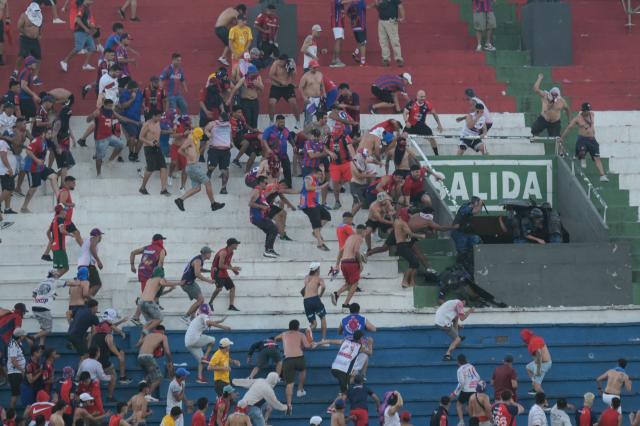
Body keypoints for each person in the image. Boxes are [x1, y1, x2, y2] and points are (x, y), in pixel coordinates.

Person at [174, 128, 226, 212]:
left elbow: (197, 153)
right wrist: (187, 156)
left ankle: (180, 200)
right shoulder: (190, 139)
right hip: (192, 167)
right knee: (207, 182)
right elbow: (180, 150)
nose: (200, 138)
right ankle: (213, 204)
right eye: (200, 136)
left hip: (193, 166)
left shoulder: (195, 140)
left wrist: (205, 145)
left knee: (197, 188)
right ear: (197, 134)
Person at [559, 102, 608, 181]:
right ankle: (582, 157)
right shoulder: (578, 118)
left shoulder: (592, 114)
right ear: (583, 111)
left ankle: (602, 175)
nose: (588, 112)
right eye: (586, 111)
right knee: (581, 151)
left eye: (589, 110)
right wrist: (562, 138)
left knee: (597, 158)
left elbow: (591, 123)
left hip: (592, 139)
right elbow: (569, 128)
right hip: (583, 139)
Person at [185, 304, 231, 384]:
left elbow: (209, 323)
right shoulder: (203, 315)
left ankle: (199, 377)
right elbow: (210, 322)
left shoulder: (198, 317)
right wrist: (224, 327)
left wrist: (220, 321)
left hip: (188, 343)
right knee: (212, 340)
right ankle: (206, 356)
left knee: (201, 360)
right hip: (194, 339)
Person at [86, 98, 131, 176]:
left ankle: (110, 160)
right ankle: (98, 174)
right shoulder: (98, 111)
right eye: (109, 106)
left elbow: (121, 118)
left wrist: (133, 122)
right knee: (99, 157)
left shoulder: (111, 111)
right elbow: (87, 120)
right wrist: (92, 115)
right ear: (104, 105)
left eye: (112, 106)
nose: (111, 107)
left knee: (120, 145)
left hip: (109, 136)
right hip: (100, 139)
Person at [129, 234, 167, 325]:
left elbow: (133, 252)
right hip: (150, 274)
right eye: (162, 240)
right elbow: (160, 263)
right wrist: (158, 275)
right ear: (160, 241)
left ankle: (154, 302)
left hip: (142, 272)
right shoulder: (161, 250)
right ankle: (136, 316)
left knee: (147, 295)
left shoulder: (147, 248)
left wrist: (132, 266)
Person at [276, 319, 312, 412]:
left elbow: (276, 338)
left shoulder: (284, 334)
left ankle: (289, 405)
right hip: (299, 358)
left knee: (289, 384)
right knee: (303, 370)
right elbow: (308, 346)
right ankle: (300, 389)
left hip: (288, 360)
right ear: (298, 327)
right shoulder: (301, 334)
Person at [19, 127, 57, 213]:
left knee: (54, 176)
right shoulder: (37, 140)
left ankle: (59, 200)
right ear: (43, 133)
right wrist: (37, 160)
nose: (50, 135)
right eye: (49, 134)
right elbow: (28, 151)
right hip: (31, 168)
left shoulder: (45, 141)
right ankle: (24, 207)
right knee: (34, 188)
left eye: (51, 134)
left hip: (40, 167)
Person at [332, 225, 366, 309]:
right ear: (363, 231)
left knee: (349, 284)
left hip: (344, 263)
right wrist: (361, 263)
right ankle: (345, 303)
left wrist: (337, 264)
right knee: (355, 284)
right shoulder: (359, 238)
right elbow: (356, 251)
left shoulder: (349, 238)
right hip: (351, 263)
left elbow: (340, 251)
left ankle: (337, 294)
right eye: (365, 232)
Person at [180, 247, 216, 323]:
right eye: (210, 253)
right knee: (201, 300)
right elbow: (197, 274)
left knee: (201, 300)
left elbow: (200, 269)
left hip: (190, 282)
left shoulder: (200, 259)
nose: (210, 255)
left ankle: (192, 317)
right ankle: (185, 317)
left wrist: (210, 270)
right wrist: (209, 281)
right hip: (187, 283)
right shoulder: (198, 260)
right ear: (206, 253)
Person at [59, 0, 97, 72]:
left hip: (87, 32)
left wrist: (93, 27)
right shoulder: (82, 8)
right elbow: (77, 19)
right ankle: (64, 61)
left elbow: (87, 21)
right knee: (78, 48)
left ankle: (85, 65)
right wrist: (86, 28)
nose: (92, 2)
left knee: (92, 48)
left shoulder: (87, 9)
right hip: (80, 32)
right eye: (90, 0)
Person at [138, 110, 170, 195]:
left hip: (157, 147)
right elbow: (140, 137)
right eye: (158, 116)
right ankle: (142, 187)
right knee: (150, 168)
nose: (160, 118)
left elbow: (160, 132)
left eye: (160, 116)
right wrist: (150, 143)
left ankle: (163, 189)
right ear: (153, 116)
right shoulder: (147, 124)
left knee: (163, 166)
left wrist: (169, 132)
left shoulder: (158, 123)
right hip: (148, 147)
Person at [403, 90, 443, 155]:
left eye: (424, 96)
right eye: (421, 97)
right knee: (402, 139)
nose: (423, 98)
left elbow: (434, 113)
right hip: (411, 126)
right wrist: (406, 121)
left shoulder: (427, 104)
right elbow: (405, 112)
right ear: (417, 96)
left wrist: (439, 124)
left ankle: (436, 155)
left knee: (432, 138)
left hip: (422, 126)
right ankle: (402, 154)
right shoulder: (411, 103)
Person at [300, 168, 331, 251]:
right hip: (308, 204)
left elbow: (322, 180)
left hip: (314, 203)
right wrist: (321, 186)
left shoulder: (316, 180)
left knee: (327, 216)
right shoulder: (308, 178)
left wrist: (323, 174)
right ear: (315, 173)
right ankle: (320, 243)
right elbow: (307, 188)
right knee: (316, 223)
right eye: (320, 174)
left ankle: (315, 233)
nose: (321, 176)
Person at [249, 176, 281, 258]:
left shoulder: (261, 191)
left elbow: (263, 197)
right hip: (257, 217)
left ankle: (269, 250)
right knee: (274, 229)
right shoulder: (256, 190)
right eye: (265, 183)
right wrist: (262, 207)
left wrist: (271, 192)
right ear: (261, 183)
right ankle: (268, 250)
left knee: (271, 231)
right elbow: (250, 203)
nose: (267, 185)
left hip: (261, 216)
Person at [531, 74, 570, 138]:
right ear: (550, 93)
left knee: (556, 139)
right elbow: (535, 89)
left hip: (555, 123)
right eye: (552, 94)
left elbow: (567, 109)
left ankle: (558, 147)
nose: (554, 96)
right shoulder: (545, 95)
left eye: (556, 95)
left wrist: (569, 120)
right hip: (544, 119)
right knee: (532, 131)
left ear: (558, 95)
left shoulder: (561, 101)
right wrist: (539, 78)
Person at [138, 325, 173, 395]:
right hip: (148, 357)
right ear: (162, 331)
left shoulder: (148, 335)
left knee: (151, 374)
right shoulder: (163, 336)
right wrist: (170, 362)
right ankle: (148, 395)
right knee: (159, 377)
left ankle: (143, 382)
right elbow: (167, 351)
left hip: (140, 357)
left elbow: (138, 344)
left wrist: (142, 335)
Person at [268, 55, 301, 128]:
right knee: (271, 103)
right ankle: (271, 121)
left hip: (287, 87)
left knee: (294, 103)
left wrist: (292, 69)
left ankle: (298, 121)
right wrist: (280, 81)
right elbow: (270, 75)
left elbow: (294, 75)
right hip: (276, 86)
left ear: (285, 61)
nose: (279, 62)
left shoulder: (291, 63)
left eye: (281, 61)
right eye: (279, 61)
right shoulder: (276, 63)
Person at [209, 238, 242, 311]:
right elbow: (220, 265)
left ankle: (231, 305)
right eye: (236, 244)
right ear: (232, 244)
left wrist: (233, 270)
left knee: (232, 287)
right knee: (219, 288)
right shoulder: (223, 252)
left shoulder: (231, 252)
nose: (237, 245)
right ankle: (210, 302)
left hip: (223, 272)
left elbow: (227, 262)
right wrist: (233, 269)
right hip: (216, 271)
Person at [228, 64, 264, 130]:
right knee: (247, 118)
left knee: (254, 118)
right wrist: (230, 99)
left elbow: (262, 88)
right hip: (245, 101)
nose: (255, 75)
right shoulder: (244, 79)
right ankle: (247, 133)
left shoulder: (258, 78)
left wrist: (257, 84)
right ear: (249, 73)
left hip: (255, 101)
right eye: (253, 74)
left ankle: (254, 134)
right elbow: (235, 88)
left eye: (256, 73)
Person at [449, 354, 481, 426]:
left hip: (466, 390)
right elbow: (478, 377)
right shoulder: (471, 366)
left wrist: (455, 393)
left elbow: (461, 383)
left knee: (458, 404)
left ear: (458, 361)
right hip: (475, 390)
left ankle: (461, 422)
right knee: (470, 407)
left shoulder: (460, 369)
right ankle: (473, 422)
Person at [262, 115, 293, 188]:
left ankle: (288, 184)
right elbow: (264, 140)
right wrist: (268, 149)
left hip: (283, 154)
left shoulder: (285, 130)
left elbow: (290, 138)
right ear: (277, 122)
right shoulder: (269, 129)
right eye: (281, 122)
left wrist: (294, 146)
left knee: (287, 168)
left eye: (284, 122)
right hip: (273, 154)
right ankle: (269, 185)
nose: (283, 124)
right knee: (273, 170)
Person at [372, 0, 405, 66]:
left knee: (394, 40)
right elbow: (378, 7)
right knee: (383, 41)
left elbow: (400, 7)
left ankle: (398, 58)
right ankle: (385, 59)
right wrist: (376, 5)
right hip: (381, 21)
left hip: (391, 21)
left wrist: (402, 17)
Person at [520, 329, 552, 394]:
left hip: (543, 364)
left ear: (526, 337)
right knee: (528, 367)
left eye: (523, 338)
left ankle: (544, 403)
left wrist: (538, 370)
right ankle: (534, 382)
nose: (523, 340)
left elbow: (539, 355)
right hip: (539, 362)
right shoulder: (534, 339)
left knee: (537, 386)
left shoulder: (534, 342)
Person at [303, 262, 328, 340]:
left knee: (314, 324)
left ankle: (308, 330)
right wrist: (320, 294)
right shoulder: (319, 278)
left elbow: (306, 287)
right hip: (315, 299)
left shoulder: (306, 277)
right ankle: (323, 339)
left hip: (306, 301)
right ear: (317, 269)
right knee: (322, 318)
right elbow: (323, 287)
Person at [77, 228, 105, 297]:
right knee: (97, 284)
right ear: (97, 235)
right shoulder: (93, 238)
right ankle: (87, 301)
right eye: (100, 236)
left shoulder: (87, 241)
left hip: (82, 266)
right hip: (88, 266)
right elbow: (92, 248)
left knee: (88, 285)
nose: (101, 238)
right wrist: (98, 261)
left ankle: (86, 300)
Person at [7, 328, 27, 409]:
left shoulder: (18, 343)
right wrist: (22, 370)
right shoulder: (13, 345)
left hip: (17, 372)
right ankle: (10, 415)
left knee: (17, 394)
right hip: (15, 372)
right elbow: (13, 361)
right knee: (15, 395)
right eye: (23, 335)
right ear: (20, 336)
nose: (24, 336)